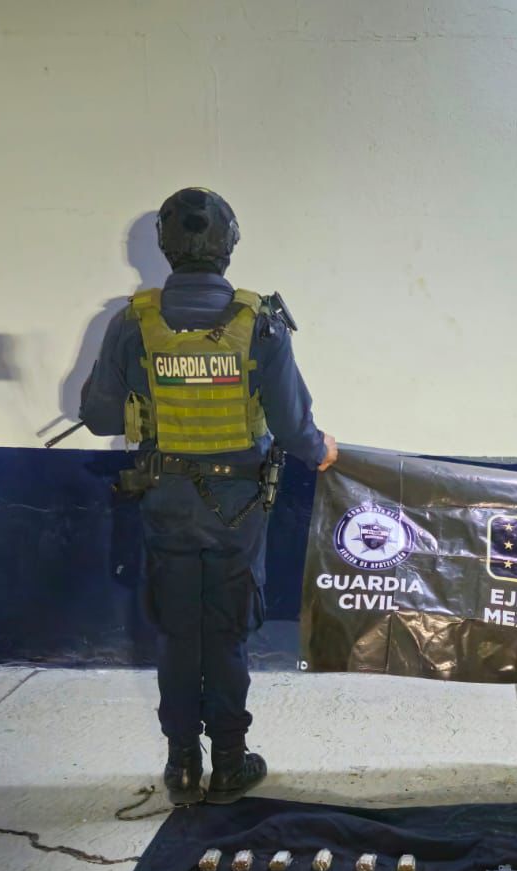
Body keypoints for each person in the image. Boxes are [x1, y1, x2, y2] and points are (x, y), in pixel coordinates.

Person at [79, 188, 337, 807]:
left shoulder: (132, 323)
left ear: (165, 247)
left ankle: (181, 766)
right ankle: (228, 763)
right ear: (229, 245)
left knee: (177, 633)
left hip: (165, 501)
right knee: (226, 634)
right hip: (239, 508)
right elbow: (294, 426)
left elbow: (97, 417)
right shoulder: (260, 322)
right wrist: (320, 448)